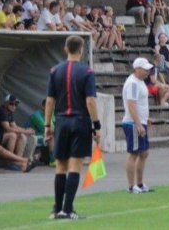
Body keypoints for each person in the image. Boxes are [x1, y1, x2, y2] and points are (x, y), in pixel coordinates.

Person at [45, 35, 101, 220]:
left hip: (61, 121)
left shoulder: (55, 70)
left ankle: (56, 209)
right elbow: (91, 101)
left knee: (60, 165)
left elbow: (50, 101)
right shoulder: (87, 72)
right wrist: (96, 125)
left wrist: (47, 125)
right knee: (75, 166)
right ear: (81, 49)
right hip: (80, 121)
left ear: (65, 49)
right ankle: (68, 210)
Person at [122, 58, 155, 194]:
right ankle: (131, 186)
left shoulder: (140, 82)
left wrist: (145, 119)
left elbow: (140, 103)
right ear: (137, 69)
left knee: (144, 152)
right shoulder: (133, 83)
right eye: (145, 69)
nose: (148, 72)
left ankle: (140, 183)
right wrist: (138, 123)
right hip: (132, 123)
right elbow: (131, 104)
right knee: (134, 153)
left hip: (139, 121)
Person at [0, 95, 37, 161]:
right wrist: (26, 131)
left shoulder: (9, 112)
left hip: (2, 135)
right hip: (0, 134)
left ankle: (19, 160)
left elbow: (14, 126)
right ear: (5, 103)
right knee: (12, 135)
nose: (14, 106)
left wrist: (25, 130)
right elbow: (8, 129)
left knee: (23, 136)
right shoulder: (2, 111)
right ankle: (9, 160)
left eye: (16, 104)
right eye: (11, 104)